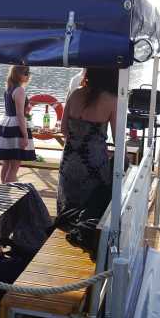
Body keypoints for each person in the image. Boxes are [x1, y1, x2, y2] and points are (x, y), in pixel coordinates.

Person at [57, 67, 118, 215]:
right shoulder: (112, 100)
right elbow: (118, 139)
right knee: (91, 212)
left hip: (70, 161)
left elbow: (63, 129)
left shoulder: (75, 94)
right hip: (95, 164)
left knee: (67, 211)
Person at [0, 65, 36, 183]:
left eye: (28, 72)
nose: (28, 75)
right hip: (15, 128)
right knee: (14, 166)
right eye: (26, 72)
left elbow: (14, 111)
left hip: (6, 125)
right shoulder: (20, 90)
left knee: (6, 164)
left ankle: (3, 193)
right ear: (18, 74)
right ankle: (10, 194)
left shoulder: (8, 89)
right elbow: (20, 115)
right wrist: (25, 136)